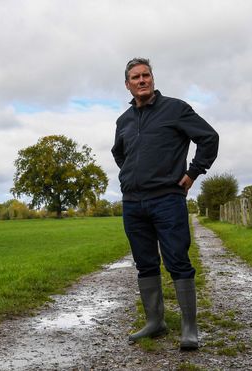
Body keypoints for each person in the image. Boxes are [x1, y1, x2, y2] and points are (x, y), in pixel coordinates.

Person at [112, 58, 219, 350]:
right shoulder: (123, 120)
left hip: (167, 199)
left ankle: (189, 327)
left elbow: (209, 138)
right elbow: (119, 153)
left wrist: (193, 172)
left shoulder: (176, 109)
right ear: (127, 84)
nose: (142, 80)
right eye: (136, 77)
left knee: (177, 260)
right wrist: (130, 177)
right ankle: (155, 322)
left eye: (146, 75)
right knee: (145, 263)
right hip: (133, 204)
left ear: (153, 79)